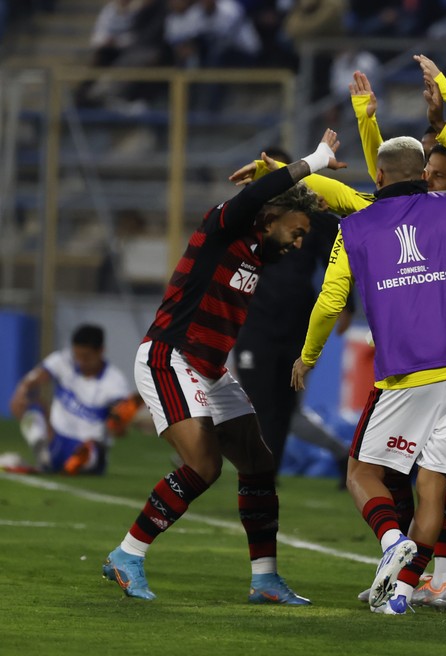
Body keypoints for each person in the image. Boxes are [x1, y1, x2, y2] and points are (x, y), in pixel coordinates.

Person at [101, 128, 343, 603]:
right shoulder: (223, 227)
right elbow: (256, 198)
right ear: (271, 217)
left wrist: (286, 180)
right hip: (169, 357)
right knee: (205, 465)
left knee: (258, 463)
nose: (297, 245)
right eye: (295, 233)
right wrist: (312, 159)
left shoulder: (261, 246)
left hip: (208, 368)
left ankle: (266, 579)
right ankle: (127, 554)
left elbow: (314, 213)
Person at [291, 135, 446, 616]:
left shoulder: (354, 228)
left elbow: (330, 301)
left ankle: (391, 539)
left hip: (408, 370)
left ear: (378, 176)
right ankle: (399, 593)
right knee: (433, 488)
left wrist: (308, 356)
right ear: (423, 173)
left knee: (361, 472)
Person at [233, 148, 343, 474]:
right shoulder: (248, 215)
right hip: (256, 325)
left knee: (283, 408)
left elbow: (334, 253)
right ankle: (226, 465)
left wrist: (345, 304)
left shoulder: (309, 216)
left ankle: (267, 472)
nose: (296, 242)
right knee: (254, 404)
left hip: (295, 325)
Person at [8, 324, 135, 475]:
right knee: (32, 405)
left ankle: (53, 460)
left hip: (89, 447)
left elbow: (120, 429)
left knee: (88, 453)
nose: (81, 361)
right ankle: (46, 456)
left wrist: (119, 425)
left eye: (86, 357)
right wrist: (21, 393)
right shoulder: (63, 360)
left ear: (101, 351)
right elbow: (32, 380)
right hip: (56, 437)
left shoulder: (115, 382)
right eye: (77, 355)